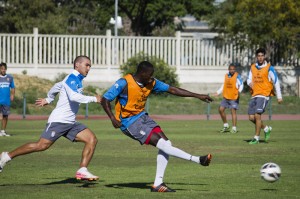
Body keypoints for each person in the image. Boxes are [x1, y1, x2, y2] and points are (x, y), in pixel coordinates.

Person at [101, 61, 213, 192]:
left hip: (143, 117)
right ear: (142, 73)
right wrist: (112, 118)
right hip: (129, 123)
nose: (151, 78)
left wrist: (197, 95)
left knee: (167, 143)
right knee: (163, 145)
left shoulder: (151, 82)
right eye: (149, 75)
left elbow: (172, 89)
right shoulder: (123, 83)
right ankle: (198, 160)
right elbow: (105, 100)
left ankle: (158, 184)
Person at [0, 56, 101, 181]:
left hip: (70, 122)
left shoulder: (76, 79)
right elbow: (74, 97)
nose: (89, 68)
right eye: (87, 65)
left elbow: (57, 86)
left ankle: (82, 170)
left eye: (90, 66)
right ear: (77, 65)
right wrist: (94, 99)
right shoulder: (72, 78)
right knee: (41, 146)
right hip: (59, 121)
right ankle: (6, 156)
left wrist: (49, 99)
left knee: (92, 139)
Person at [247, 48, 282, 144]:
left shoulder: (269, 68)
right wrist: (250, 83)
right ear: (256, 57)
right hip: (254, 94)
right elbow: (248, 79)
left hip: (264, 95)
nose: (260, 57)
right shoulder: (253, 67)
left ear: (265, 56)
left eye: (262, 55)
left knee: (257, 115)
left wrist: (279, 96)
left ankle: (256, 138)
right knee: (251, 117)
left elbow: (276, 82)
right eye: (258, 56)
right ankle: (266, 128)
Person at [213, 64, 243, 133]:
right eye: (231, 69)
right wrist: (218, 92)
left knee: (233, 112)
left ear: (235, 70)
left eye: (233, 69)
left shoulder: (237, 76)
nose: (232, 70)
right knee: (221, 109)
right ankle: (226, 125)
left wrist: (239, 91)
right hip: (226, 96)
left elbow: (241, 85)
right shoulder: (226, 75)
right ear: (228, 69)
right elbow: (224, 85)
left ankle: (234, 128)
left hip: (234, 97)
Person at [0, 62, 15, 137]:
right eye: (2, 69)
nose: (3, 70)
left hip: (6, 100)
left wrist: (12, 95)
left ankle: (3, 131)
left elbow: (13, 87)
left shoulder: (10, 77)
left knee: (5, 116)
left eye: (4, 69)